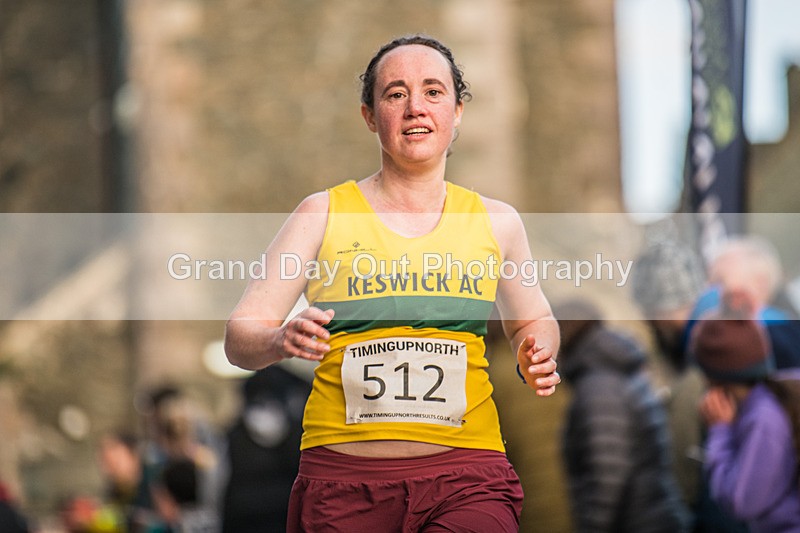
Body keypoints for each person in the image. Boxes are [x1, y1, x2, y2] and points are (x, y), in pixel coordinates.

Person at [225, 34, 561, 532]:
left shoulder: (498, 222)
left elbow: (533, 317)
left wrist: (536, 351)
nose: (414, 108)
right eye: (395, 94)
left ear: (458, 110)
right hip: (343, 484)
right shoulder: (320, 213)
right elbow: (239, 338)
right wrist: (278, 339)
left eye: (432, 91)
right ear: (369, 115)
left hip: (466, 476)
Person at [556, 300, 690, 532]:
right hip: (654, 516)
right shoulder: (615, 370)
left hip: (637, 523)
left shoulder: (599, 387)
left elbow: (608, 475)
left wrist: (592, 527)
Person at [692, 294, 800, 533]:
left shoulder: (763, 418)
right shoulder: (781, 393)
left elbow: (741, 503)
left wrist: (720, 432)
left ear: (711, 376)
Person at [152, 458, 220, 533]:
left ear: (170, 498)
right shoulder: (213, 519)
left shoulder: (179, 526)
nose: (157, 510)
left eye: (158, 501)